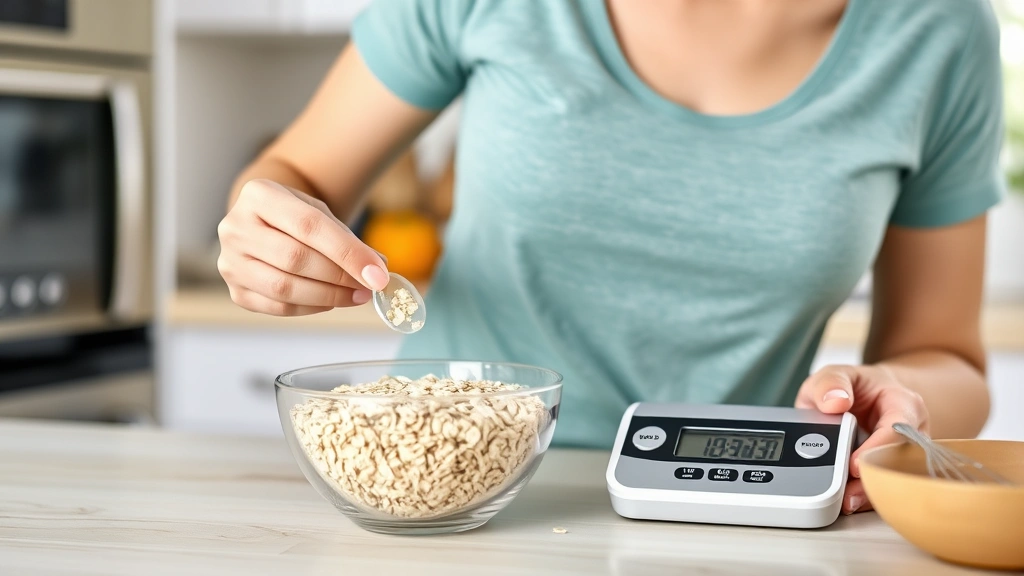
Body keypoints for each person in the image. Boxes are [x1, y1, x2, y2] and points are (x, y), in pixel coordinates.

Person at [216, 0, 1005, 515]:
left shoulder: (937, 33)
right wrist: (269, 229)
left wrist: (900, 399)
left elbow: (946, 358)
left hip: (736, 517)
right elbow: (298, 176)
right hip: (449, 496)